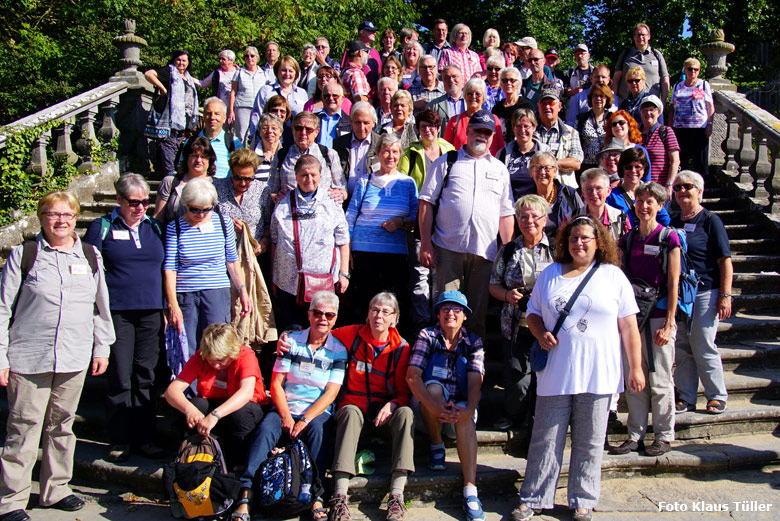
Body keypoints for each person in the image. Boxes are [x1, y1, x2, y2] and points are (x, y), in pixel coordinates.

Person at [511, 216, 645, 521]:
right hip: (557, 372)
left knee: (590, 440)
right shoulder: (550, 274)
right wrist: (540, 332)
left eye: (586, 238)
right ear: (565, 243)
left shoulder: (613, 276)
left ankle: (583, 499)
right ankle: (533, 497)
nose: (579, 243)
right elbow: (532, 314)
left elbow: (628, 327)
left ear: (599, 242)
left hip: (599, 373)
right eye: (573, 239)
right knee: (545, 438)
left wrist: (635, 367)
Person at [0, 191, 114, 521]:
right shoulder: (26, 255)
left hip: (74, 356)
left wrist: (101, 347)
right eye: (53, 214)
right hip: (29, 356)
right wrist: (2, 357)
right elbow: (3, 308)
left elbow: (100, 307)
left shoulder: (89, 255)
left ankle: (57, 489)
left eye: (67, 215)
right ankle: (12, 500)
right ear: (42, 217)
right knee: (23, 428)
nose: (61, 220)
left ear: (76, 218)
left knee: (62, 426)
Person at [238, 291, 347, 521]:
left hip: (316, 410)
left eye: (329, 315)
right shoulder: (292, 342)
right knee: (266, 429)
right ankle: (246, 493)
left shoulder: (338, 350)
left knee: (318, 430)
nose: (323, 319)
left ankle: (317, 496)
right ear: (309, 315)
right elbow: (276, 384)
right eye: (317, 313)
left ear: (335, 318)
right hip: (286, 405)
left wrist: (305, 419)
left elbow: (331, 393)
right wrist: (287, 417)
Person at [82, 174, 165, 463]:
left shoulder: (153, 227)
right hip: (117, 313)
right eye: (134, 202)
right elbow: (89, 270)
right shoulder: (101, 228)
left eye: (145, 201)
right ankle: (119, 438)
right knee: (120, 376)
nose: (141, 207)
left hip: (151, 312)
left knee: (146, 375)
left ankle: (144, 437)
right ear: (119, 200)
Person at [418, 110, 514, 338]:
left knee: (476, 316)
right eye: (477, 130)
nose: (482, 135)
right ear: (467, 132)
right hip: (447, 249)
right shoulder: (447, 162)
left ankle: (471, 365)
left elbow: (506, 213)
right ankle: (444, 362)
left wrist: (506, 250)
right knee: (447, 312)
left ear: (493, 137)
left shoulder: (500, 169)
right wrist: (425, 244)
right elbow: (425, 203)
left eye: (487, 132)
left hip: (485, 253)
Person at [325, 292, 415, 521]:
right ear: (367, 313)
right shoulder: (352, 335)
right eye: (375, 309)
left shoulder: (401, 348)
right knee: (350, 411)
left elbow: (404, 394)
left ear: (394, 318)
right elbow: (319, 333)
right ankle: (340, 496)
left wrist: (393, 404)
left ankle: (396, 495)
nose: (379, 316)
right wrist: (289, 336)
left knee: (406, 413)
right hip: (354, 417)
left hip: (382, 419)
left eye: (386, 312)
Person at [611, 182, 680, 457]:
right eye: (640, 201)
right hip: (634, 316)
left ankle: (663, 434)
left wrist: (670, 322)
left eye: (650, 201)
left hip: (660, 314)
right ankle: (635, 434)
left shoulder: (668, 238)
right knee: (634, 376)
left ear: (659, 206)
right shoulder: (628, 239)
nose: (643, 206)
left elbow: (673, 282)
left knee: (660, 377)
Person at [406, 291, 486, 521]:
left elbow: (475, 381)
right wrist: (433, 407)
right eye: (445, 309)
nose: (450, 314)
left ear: (465, 317)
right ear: (438, 315)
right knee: (432, 389)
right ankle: (436, 445)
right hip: (426, 411)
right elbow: (412, 377)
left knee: (465, 415)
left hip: (457, 407)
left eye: (456, 310)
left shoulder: (474, 342)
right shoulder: (427, 335)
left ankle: (470, 491)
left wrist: (469, 408)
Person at [164, 177, 252, 357]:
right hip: (186, 293)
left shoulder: (223, 223)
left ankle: (215, 385)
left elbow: (232, 261)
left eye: (206, 209)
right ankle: (190, 385)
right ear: (185, 204)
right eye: (195, 209)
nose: (201, 214)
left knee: (217, 344)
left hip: (216, 290)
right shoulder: (175, 227)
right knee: (187, 345)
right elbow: (170, 268)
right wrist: (172, 303)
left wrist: (242, 290)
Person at [488, 195, 554, 432]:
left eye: (535, 216)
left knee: (545, 379)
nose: (529, 221)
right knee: (518, 381)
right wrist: (507, 296)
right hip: (515, 326)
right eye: (523, 216)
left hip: (548, 328)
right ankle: (514, 416)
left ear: (544, 219)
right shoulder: (507, 251)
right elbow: (493, 284)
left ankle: (538, 421)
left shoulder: (556, 249)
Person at [163, 323, 269, 466]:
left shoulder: (245, 356)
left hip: (245, 411)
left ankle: (238, 461)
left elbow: (246, 392)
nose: (216, 365)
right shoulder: (200, 358)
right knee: (197, 404)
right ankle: (200, 455)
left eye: (220, 360)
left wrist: (215, 415)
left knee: (240, 413)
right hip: (215, 406)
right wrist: (190, 410)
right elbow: (172, 391)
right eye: (211, 360)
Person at [671, 171, 733, 415]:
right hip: (681, 293)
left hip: (706, 291)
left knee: (702, 342)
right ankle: (686, 396)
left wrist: (725, 295)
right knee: (683, 344)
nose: (682, 191)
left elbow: (725, 261)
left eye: (688, 186)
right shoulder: (674, 222)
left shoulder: (710, 220)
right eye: (677, 187)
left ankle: (716, 394)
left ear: (699, 191)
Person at [270, 155, 350, 331]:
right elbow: (274, 241)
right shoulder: (283, 204)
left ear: (320, 175)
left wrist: (344, 274)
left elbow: (343, 240)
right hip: (289, 283)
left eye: (313, 175)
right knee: (291, 332)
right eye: (304, 175)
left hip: (323, 283)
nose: (309, 179)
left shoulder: (331, 202)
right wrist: (273, 278)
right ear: (296, 176)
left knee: (320, 331)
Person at [346, 133, 418, 314]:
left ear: (400, 154)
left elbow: (415, 218)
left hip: (394, 252)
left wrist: (401, 222)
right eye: (386, 151)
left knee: (391, 303)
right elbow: (350, 217)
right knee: (365, 301)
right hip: (364, 251)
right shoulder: (365, 181)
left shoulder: (408, 183)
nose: (390, 156)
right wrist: (347, 251)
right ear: (378, 153)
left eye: (394, 152)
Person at [397, 109, 456, 331]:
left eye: (432, 126)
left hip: (444, 222)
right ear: (417, 129)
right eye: (423, 127)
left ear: (438, 127)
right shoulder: (411, 153)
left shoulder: (450, 151)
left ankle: (440, 326)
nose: (428, 130)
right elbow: (403, 185)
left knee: (440, 277)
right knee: (420, 278)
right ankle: (422, 328)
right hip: (419, 222)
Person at [268, 111, 347, 205]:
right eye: (299, 128)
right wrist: (274, 196)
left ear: (317, 132)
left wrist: (340, 195)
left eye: (308, 129)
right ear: (292, 129)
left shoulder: (329, 155)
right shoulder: (281, 155)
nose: (303, 133)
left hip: (320, 212)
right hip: (290, 213)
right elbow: (271, 190)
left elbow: (342, 190)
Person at [144, 49, 199, 176]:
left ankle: (171, 170)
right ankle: (169, 173)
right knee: (168, 144)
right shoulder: (169, 72)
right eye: (178, 60)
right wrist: (162, 88)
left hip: (183, 119)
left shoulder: (188, 77)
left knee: (177, 145)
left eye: (184, 60)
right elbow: (149, 74)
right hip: (171, 117)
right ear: (174, 60)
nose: (181, 63)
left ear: (188, 62)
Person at [216, 149, 272, 256]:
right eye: (238, 178)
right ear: (231, 172)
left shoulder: (263, 190)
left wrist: (264, 242)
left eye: (248, 179)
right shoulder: (217, 187)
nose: (242, 183)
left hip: (254, 255)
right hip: (224, 255)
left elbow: (269, 223)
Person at [153, 136, 216, 225]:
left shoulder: (217, 185)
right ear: (186, 158)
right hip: (173, 235)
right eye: (194, 156)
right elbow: (158, 218)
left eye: (203, 157)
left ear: (210, 159)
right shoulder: (170, 183)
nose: (198, 160)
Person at [669, 58, 714, 176]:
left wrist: (710, 124)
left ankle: (702, 185)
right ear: (685, 70)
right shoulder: (677, 86)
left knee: (700, 159)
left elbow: (710, 106)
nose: (692, 71)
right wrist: (670, 127)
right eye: (690, 69)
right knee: (682, 158)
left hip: (699, 126)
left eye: (696, 69)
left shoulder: (704, 85)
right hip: (680, 127)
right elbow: (672, 107)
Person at [247, 55, 309, 141]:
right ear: (277, 72)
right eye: (283, 70)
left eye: (291, 71)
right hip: (269, 138)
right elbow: (257, 114)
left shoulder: (302, 93)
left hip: (294, 140)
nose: (287, 74)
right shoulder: (266, 90)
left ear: (296, 73)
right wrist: (255, 137)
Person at [607, 147, 670, 228]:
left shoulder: (651, 193)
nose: (633, 171)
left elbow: (665, 221)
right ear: (622, 169)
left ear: (644, 169)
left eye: (638, 167)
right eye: (628, 167)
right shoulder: (611, 196)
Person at [528, 151, 585, 242]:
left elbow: (583, 222)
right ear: (531, 172)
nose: (542, 172)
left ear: (555, 171)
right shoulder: (526, 199)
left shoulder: (569, 194)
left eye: (547, 168)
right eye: (538, 168)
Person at [497, 108, 549, 200]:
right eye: (518, 126)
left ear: (534, 127)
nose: (522, 130)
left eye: (526, 126)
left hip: (536, 209)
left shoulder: (545, 152)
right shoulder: (503, 153)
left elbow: (551, 182)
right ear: (513, 128)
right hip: (510, 209)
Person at [535, 89, 583, 188]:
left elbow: (576, 163)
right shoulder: (530, 132)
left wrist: (548, 165)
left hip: (564, 189)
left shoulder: (571, 133)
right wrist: (562, 164)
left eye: (551, 103)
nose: (547, 107)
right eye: (544, 103)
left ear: (559, 106)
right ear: (538, 107)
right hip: (536, 188)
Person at [443, 78, 505, 156]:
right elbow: (446, 150)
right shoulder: (455, 121)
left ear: (484, 97)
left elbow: (501, 149)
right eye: (470, 93)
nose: (473, 96)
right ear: (465, 96)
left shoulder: (493, 120)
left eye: (477, 94)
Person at [332, 102, 381, 196]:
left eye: (366, 123)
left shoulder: (381, 144)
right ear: (351, 121)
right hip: (345, 199)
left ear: (374, 123)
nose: (361, 128)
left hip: (371, 200)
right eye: (358, 122)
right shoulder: (339, 144)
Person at [613, 23, 670, 102]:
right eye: (638, 35)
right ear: (634, 37)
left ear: (648, 36)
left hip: (651, 106)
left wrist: (663, 101)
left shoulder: (657, 55)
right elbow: (616, 78)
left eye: (643, 34)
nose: (640, 37)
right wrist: (614, 100)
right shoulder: (625, 54)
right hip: (627, 104)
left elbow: (665, 79)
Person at [192, 97, 244, 179]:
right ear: (204, 116)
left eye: (217, 114)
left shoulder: (233, 143)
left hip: (223, 189)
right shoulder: (191, 142)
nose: (212, 117)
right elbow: (182, 169)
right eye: (209, 113)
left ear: (224, 118)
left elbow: (241, 171)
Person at [641, 95, 680, 195]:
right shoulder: (636, 134)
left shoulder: (666, 132)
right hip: (640, 189)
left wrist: (669, 184)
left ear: (658, 112)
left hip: (660, 188)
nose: (648, 113)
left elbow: (675, 161)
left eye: (651, 110)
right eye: (645, 110)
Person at [580, 167, 630, 242]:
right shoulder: (571, 218)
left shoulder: (621, 219)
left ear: (608, 191)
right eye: (589, 189)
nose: (594, 193)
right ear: (583, 193)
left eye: (598, 188)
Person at [230, 46, 267, 143]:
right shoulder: (239, 73)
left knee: (258, 134)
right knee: (241, 135)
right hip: (242, 106)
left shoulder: (263, 73)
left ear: (257, 57)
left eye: (252, 56)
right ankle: (239, 156)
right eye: (247, 56)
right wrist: (231, 110)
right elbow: (233, 91)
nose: (249, 58)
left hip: (259, 108)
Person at [603, 110, 652, 182]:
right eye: (614, 124)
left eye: (621, 123)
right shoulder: (606, 150)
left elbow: (646, 179)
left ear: (629, 125)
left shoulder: (639, 150)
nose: (617, 126)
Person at [577, 84, 615, 172]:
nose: (598, 99)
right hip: (586, 165)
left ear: (607, 98)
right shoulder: (581, 119)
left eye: (601, 96)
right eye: (595, 96)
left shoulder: (612, 118)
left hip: (607, 165)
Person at [492, 67, 533, 144]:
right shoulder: (496, 108)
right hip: (500, 149)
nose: (508, 83)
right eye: (505, 80)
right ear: (501, 84)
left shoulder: (526, 106)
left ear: (518, 83)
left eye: (512, 80)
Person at [566, 64, 615, 128]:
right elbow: (571, 123)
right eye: (597, 77)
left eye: (603, 77)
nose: (600, 80)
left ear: (608, 79)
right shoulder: (578, 98)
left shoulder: (615, 99)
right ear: (591, 77)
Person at [427, 65, 465, 137]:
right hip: (444, 146)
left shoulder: (471, 102)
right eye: (447, 78)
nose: (451, 80)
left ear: (461, 78)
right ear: (443, 82)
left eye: (454, 76)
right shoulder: (433, 105)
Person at [200, 50, 240, 118]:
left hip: (237, 108)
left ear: (231, 60)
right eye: (220, 59)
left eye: (223, 59)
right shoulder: (217, 73)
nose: (220, 61)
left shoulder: (239, 72)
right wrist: (187, 76)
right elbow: (203, 84)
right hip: (221, 108)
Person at [249, 113, 283, 185]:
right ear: (260, 132)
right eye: (265, 128)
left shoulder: (287, 155)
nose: (269, 131)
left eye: (274, 128)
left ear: (280, 132)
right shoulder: (251, 157)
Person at [316, 82, 352, 148]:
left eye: (335, 96)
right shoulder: (313, 119)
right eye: (327, 96)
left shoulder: (350, 122)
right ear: (322, 98)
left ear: (342, 98)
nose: (331, 98)